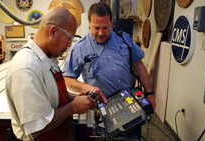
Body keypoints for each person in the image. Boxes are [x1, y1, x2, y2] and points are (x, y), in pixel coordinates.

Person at [6, 7, 102, 141]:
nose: (69, 45)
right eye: (69, 38)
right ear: (52, 31)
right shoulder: (26, 67)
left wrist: (75, 98)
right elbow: (37, 125)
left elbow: (52, 96)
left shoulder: (48, 58)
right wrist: (73, 107)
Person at [63, 2, 156, 140]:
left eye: (105, 27)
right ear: (89, 23)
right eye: (96, 28)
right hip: (102, 109)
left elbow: (138, 66)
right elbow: (67, 78)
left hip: (130, 101)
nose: (101, 33)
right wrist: (86, 87)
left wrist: (149, 93)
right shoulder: (80, 48)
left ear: (111, 23)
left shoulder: (123, 38)